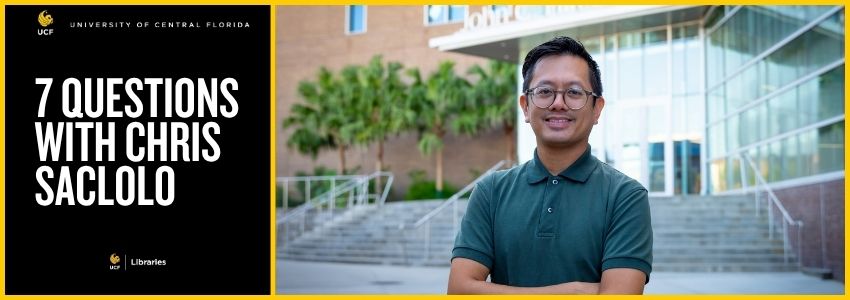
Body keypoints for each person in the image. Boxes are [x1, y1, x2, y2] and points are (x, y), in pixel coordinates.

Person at [447, 36, 652, 294]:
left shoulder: (625, 196)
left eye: (574, 92)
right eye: (544, 91)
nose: (558, 103)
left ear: (597, 108)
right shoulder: (491, 191)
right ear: (525, 106)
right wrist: (575, 291)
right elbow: (459, 290)